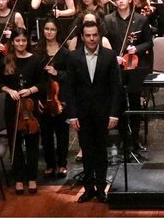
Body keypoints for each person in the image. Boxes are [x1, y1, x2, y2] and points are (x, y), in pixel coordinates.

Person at [62, 17, 122, 204]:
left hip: (103, 112)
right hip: (82, 113)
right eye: (88, 36)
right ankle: (88, 188)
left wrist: (114, 113)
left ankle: (101, 188)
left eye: (95, 35)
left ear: (99, 35)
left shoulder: (110, 56)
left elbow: (116, 87)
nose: (92, 39)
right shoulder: (73, 57)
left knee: (101, 152)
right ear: (82, 36)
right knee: (87, 151)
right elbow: (69, 89)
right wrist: (72, 115)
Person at [102, 0, 153, 151]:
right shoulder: (108, 19)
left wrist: (136, 49)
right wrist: (112, 56)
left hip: (135, 66)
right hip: (116, 67)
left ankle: (136, 137)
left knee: (135, 102)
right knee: (120, 103)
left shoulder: (140, 20)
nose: (121, 1)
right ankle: (124, 137)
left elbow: (149, 42)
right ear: (114, 1)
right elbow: (103, 42)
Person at [0, 27, 45, 195]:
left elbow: (42, 83)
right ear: (13, 42)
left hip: (31, 107)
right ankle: (19, 178)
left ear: (28, 42)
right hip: (12, 106)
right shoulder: (6, 60)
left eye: (24, 41)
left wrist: (30, 90)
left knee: (32, 142)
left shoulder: (36, 60)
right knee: (15, 143)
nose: (21, 43)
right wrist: (9, 91)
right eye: (17, 41)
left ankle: (32, 178)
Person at [35, 17, 70, 180]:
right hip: (43, 97)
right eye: (46, 29)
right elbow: (34, 77)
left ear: (58, 31)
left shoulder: (64, 52)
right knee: (46, 134)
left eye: (53, 29)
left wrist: (57, 74)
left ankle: (62, 163)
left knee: (62, 133)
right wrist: (38, 100)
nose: (49, 32)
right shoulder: (38, 51)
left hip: (60, 97)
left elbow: (71, 75)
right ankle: (50, 164)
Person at [0, 0, 27, 87]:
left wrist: (13, 34)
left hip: (11, 53)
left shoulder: (16, 15)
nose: (1, 2)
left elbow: (24, 35)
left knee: (11, 81)